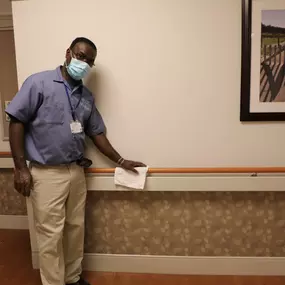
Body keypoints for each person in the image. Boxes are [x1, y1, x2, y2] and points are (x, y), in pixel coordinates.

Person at [6, 37, 145, 285]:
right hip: (46, 173)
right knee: (50, 235)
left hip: (76, 172)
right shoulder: (39, 83)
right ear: (68, 53)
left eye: (89, 61)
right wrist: (19, 169)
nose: (84, 63)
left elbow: (96, 134)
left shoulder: (86, 96)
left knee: (75, 229)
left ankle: (72, 278)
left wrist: (121, 161)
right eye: (81, 56)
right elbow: (16, 121)